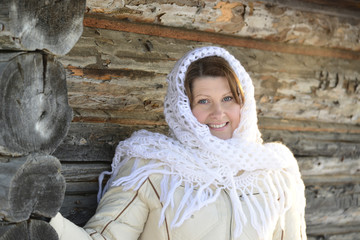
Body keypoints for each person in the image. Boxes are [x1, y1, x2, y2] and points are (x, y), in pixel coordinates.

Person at [50, 46, 307, 239]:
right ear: (184, 108)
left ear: (244, 101)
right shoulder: (151, 168)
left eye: (228, 98)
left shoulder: (275, 172)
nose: (218, 113)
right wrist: (47, 219)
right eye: (204, 101)